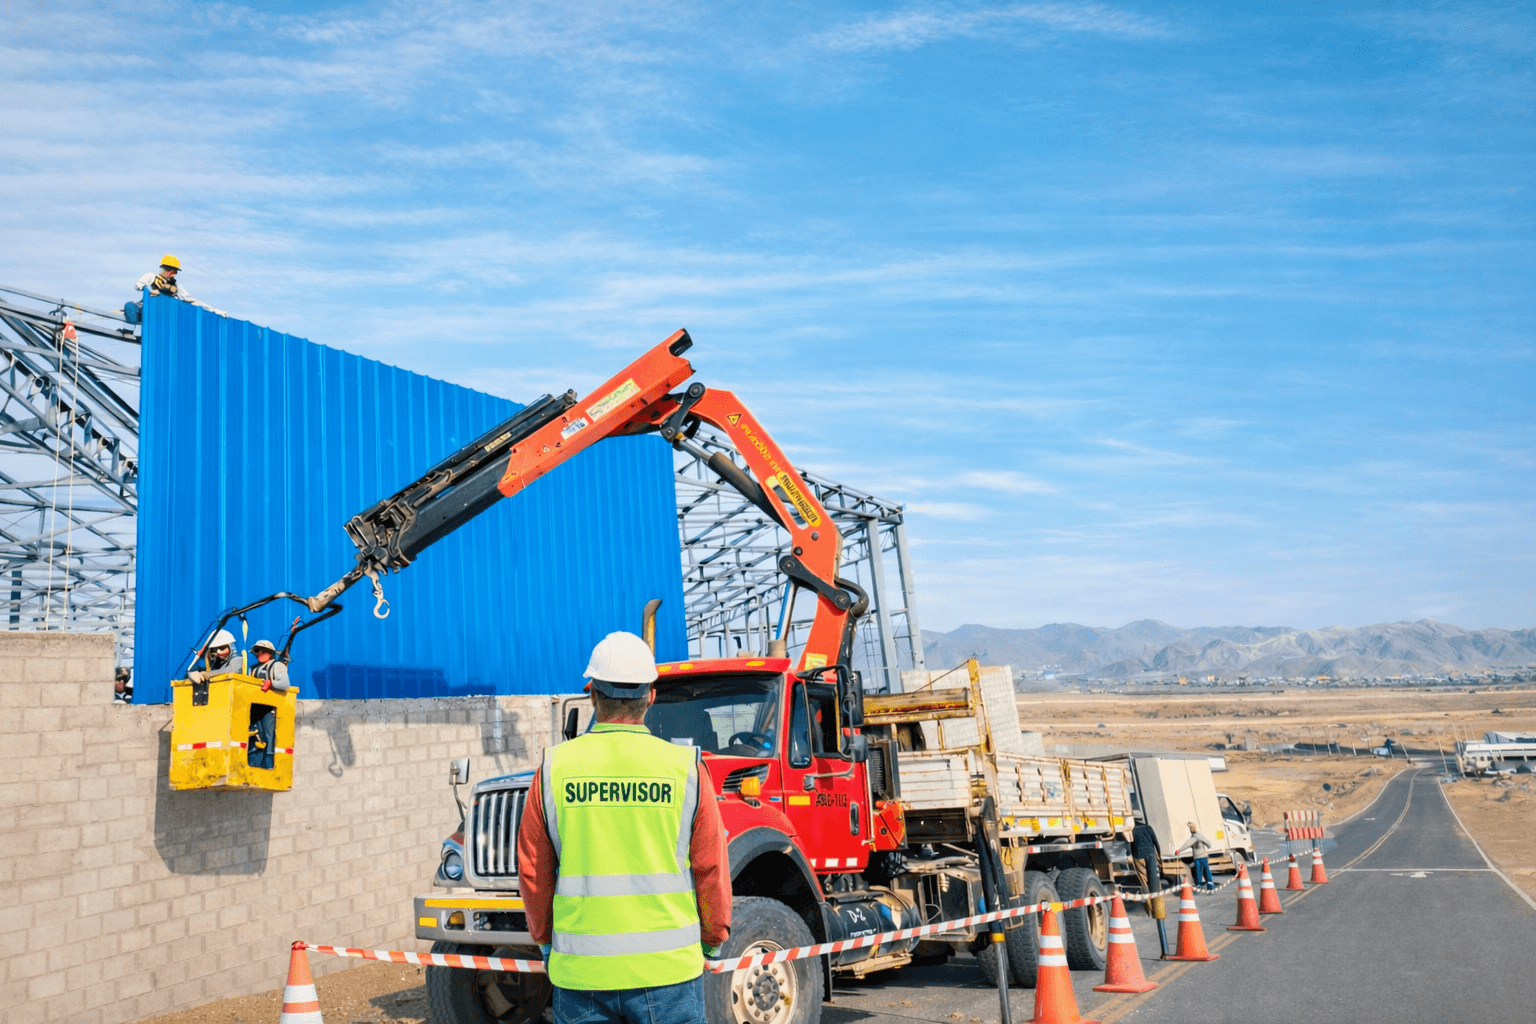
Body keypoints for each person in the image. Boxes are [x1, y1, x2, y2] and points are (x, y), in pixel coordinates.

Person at [517, 631, 731, 1024]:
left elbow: (533, 870)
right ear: (651, 696)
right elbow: (711, 866)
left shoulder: (552, 770)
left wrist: (545, 941)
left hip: (582, 974)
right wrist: (713, 941)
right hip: (669, 974)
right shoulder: (686, 770)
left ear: (592, 696)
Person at [127, 255, 226, 320]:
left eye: (174, 271)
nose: (172, 274)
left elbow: (193, 301)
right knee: (130, 306)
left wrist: (214, 310)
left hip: (163, 312)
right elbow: (138, 286)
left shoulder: (177, 287)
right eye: (169, 270)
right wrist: (154, 291)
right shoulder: (152, 277)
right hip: (148, 307)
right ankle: (128, 332)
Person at [1177, 821, 1215, 890]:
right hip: (1204, 856)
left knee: (1198, 871)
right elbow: (1207, 842)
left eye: (1190, 829)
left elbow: (1188, 843)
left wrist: (1179, 850)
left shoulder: (1195, 836)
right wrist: (1209, 846)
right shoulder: (1199, 835)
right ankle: (1209, 883)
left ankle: (1199, 884)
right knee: (1206, 870)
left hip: (1198, 857)